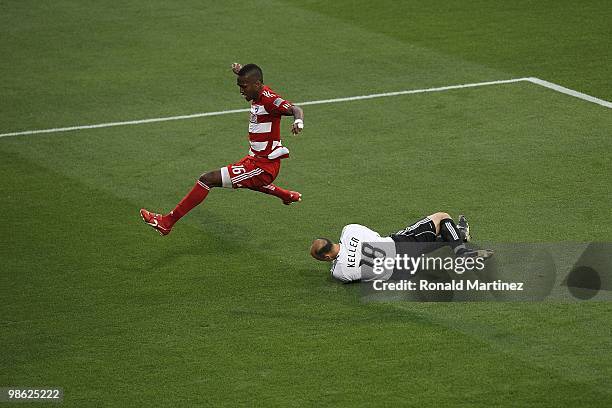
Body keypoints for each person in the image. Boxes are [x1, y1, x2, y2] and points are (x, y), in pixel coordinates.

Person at [140, 63, 304, 235]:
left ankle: (167, 222)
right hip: (254, 159)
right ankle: (285, 195)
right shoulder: (257, 92)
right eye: (239, 86)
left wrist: (298, 121)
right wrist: (240, 72)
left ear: (256, 84)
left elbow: (295, 109)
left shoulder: (270, 100)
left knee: (207, 179)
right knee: (247, 181)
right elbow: (251, 78)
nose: (241, 91)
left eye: (244, 86)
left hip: (262, 166)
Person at [310, 212, 493, 282]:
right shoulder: (349, 230)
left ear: (326, 257)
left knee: (428, 240)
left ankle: (460, 235)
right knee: (441, 217)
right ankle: (461, 251)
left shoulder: (339, 273)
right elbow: (374, 236)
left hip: (400, 274)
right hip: (400, 247)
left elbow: (351, 273)